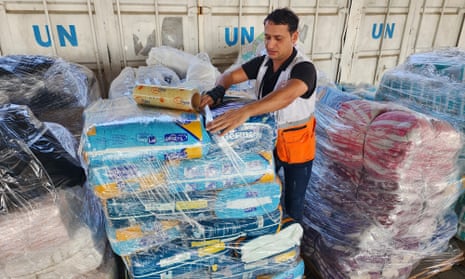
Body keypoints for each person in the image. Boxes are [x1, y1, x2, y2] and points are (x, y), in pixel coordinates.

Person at [199, 8, 317, 224]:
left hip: (296, 147)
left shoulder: (303, 68)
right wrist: (219, 90)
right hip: (267, 142)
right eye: (268, 37)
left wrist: (245, 111)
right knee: (263, 192)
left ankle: (292, 246)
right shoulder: (262, 63)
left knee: (293, 202)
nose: (270, 44)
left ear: (294, 37)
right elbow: (229, 75)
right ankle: (268, 237)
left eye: (278, 39)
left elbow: (286, 96)